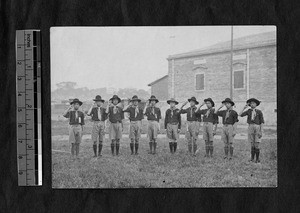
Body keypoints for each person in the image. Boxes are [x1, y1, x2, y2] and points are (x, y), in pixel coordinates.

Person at [239, 98, 264, 163]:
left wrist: (261, 131)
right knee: (252, 144)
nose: (252, 104)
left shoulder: (259, 111)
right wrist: (244, 107)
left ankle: (257, 159)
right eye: (251, 103)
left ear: (256, 104)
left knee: (257, 144)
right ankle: (252, 158)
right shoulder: (248, 111)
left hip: (257, 127)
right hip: (250, 126)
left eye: (254, 103)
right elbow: (240, 114)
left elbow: (261, 122)